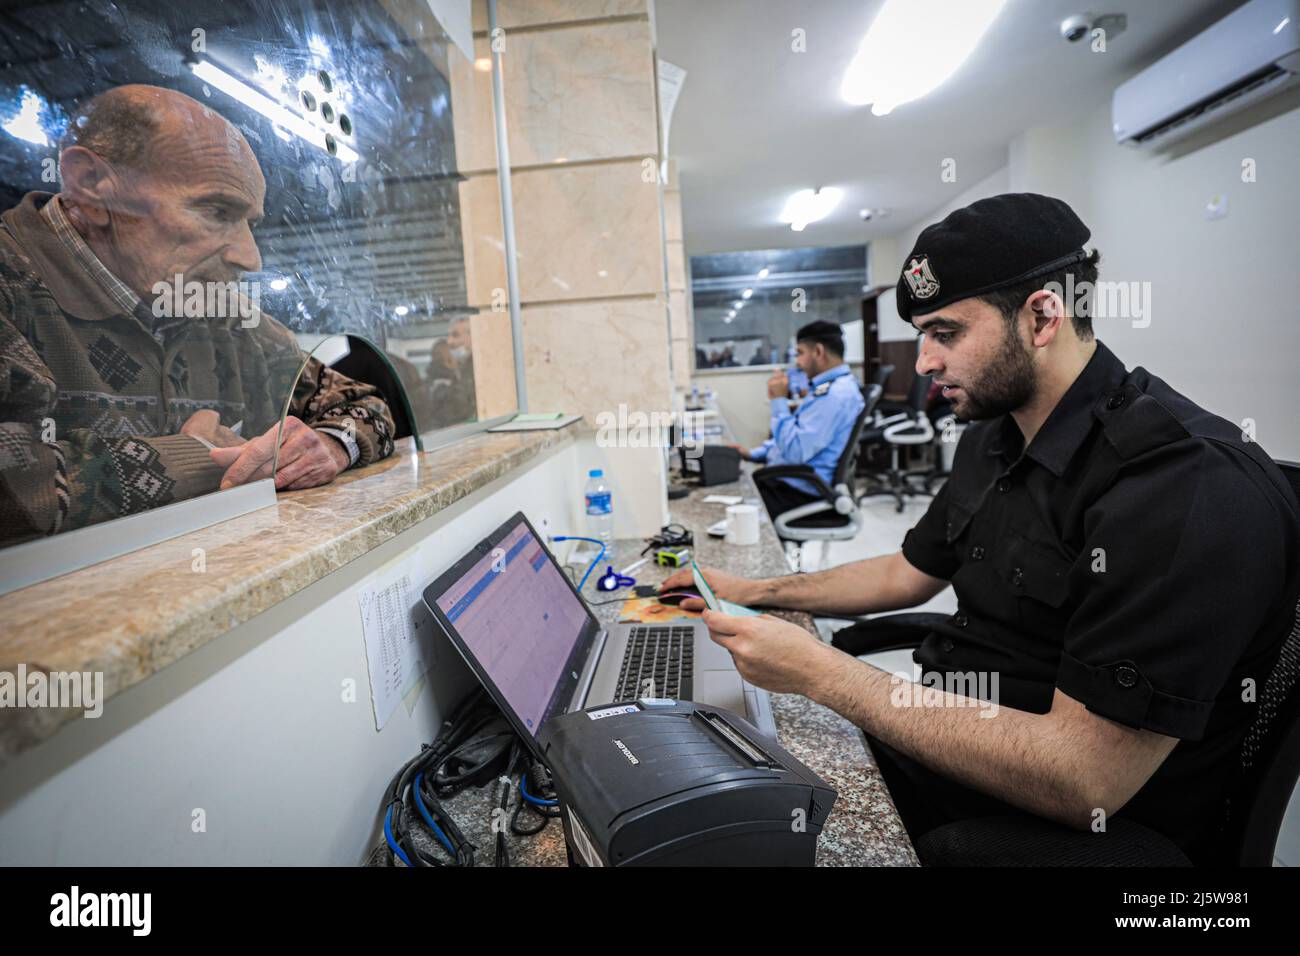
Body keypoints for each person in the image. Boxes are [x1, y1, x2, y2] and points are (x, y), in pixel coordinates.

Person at [664, 193, 1300, 863]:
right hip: (966, 740)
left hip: (1073, 827)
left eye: (945, 333)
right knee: (726, 777)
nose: (925, 364)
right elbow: (904, 571)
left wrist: (826, 675)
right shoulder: (998, 434)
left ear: (1042, 317)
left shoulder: (1180, 487)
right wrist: (760, 591)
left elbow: (1085, 780)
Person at [0, 85, 395, 546]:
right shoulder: (14, 285)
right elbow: (15, 488)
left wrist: (328, 446)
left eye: (250, 222)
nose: (251, 258)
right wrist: (200, 456)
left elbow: (367, 404)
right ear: (91, 185)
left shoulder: (212, 308)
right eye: (216, 210)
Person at [728, 319, 864, 520]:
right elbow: (795, 435)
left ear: (818, 351)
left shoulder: (835, 395)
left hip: (799, 492)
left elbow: (795, 451)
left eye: (800, 353)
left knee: (731, 508)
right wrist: (753, 454)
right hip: (791, 481)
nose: (797, 362)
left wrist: (778, 400)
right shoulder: (827, 388)